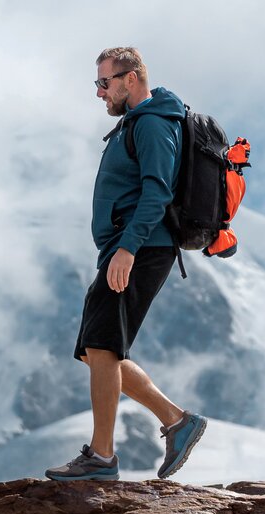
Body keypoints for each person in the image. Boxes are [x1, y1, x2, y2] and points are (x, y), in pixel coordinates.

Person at [46, 47, 207, 482]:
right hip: (127, 247)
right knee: (98, 349)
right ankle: (176, 420)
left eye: (105, 82)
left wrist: (128, 248)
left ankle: (101, 457)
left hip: (140, 247)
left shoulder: (153, 124)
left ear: (131, 78)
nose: (99, 92)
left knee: (102, 346)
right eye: (97, 83)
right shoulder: (134, 125)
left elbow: (156, 192)